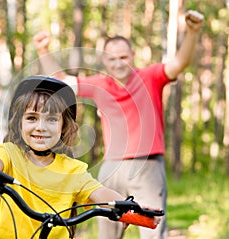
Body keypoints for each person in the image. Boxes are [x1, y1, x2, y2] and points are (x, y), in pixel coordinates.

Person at [33, 10, 204, 239]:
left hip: (147, 167)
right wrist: (43, 50)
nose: (118, 63)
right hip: (111, 167)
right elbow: (63, 82)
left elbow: (180, 62)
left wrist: (192, 31)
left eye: (123, 57)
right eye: (112, 58)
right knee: (107, 234)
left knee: (152, 230)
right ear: (104, 60)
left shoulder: (151, 76)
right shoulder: (99, 84)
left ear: (132, 55)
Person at [0, 75, 159, 238]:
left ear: (64, 126)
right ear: (20, 123)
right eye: (32, 118)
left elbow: (98, 192)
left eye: (52, 119)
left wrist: (128, 205)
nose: (41, 127)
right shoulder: (11, 154)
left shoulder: (73, 170)